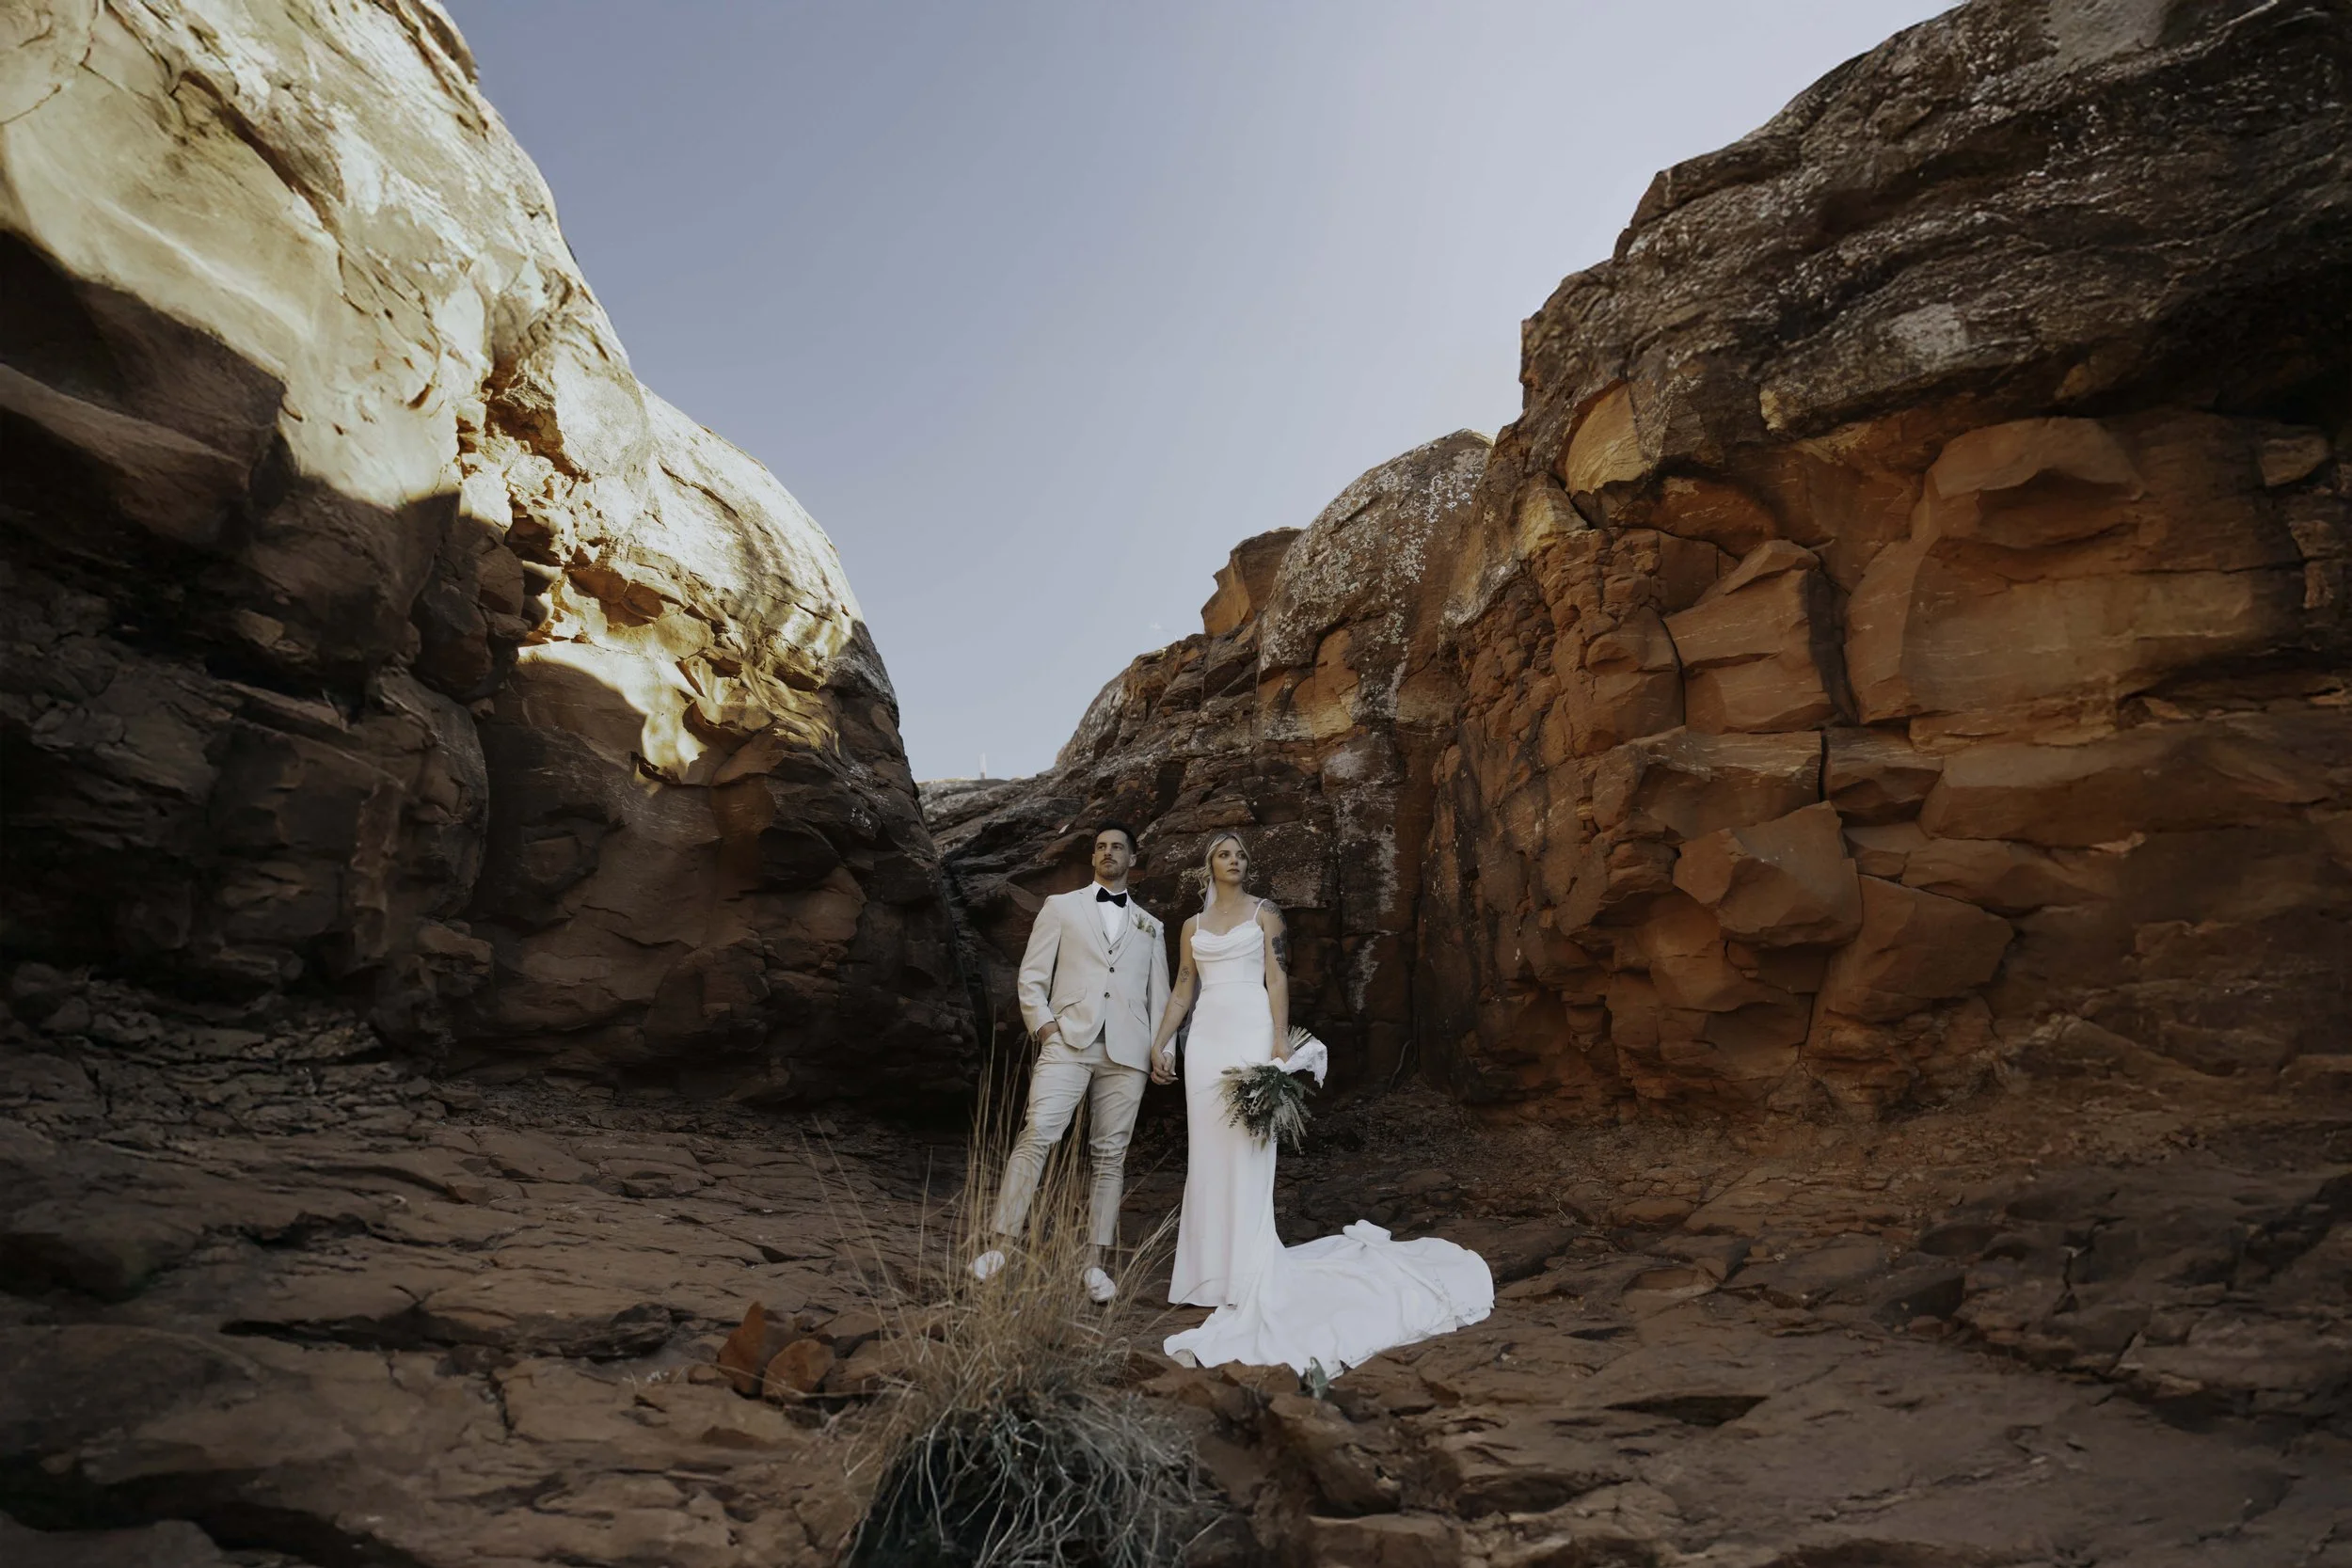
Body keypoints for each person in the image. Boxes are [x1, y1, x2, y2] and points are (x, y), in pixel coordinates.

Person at [1152, 831, 1492, 1376]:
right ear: (1208, 865)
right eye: (1224, 854)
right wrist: (1161, 1041)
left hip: (1249, 1029)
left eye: (1240, 854)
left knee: (1247, 1148)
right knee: (1209, 1153)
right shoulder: (1192, 926)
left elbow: (1277, 975)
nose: (1234, 861)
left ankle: (1246, 1270)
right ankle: (1204, 1274)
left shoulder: (1267, 913)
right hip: (1206, 1040)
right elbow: (1182, 989)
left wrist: (1280, 1038)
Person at [973, 822, 1170, 1304]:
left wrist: (1163, 1050)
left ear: (1132, 858)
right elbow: (1032, 976)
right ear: (1093, 857)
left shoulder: (1152, 926)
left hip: (1128, 1053)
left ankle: (1093, 1264)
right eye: (1101, 847)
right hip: (1069, 1040)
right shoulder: (1061, 907)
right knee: (1037, 1132)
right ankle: (1000, 1245)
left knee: (1111, 1154)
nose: (1108, 853)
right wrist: (1045, 1029)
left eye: (1118, 847)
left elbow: (1160, 997)